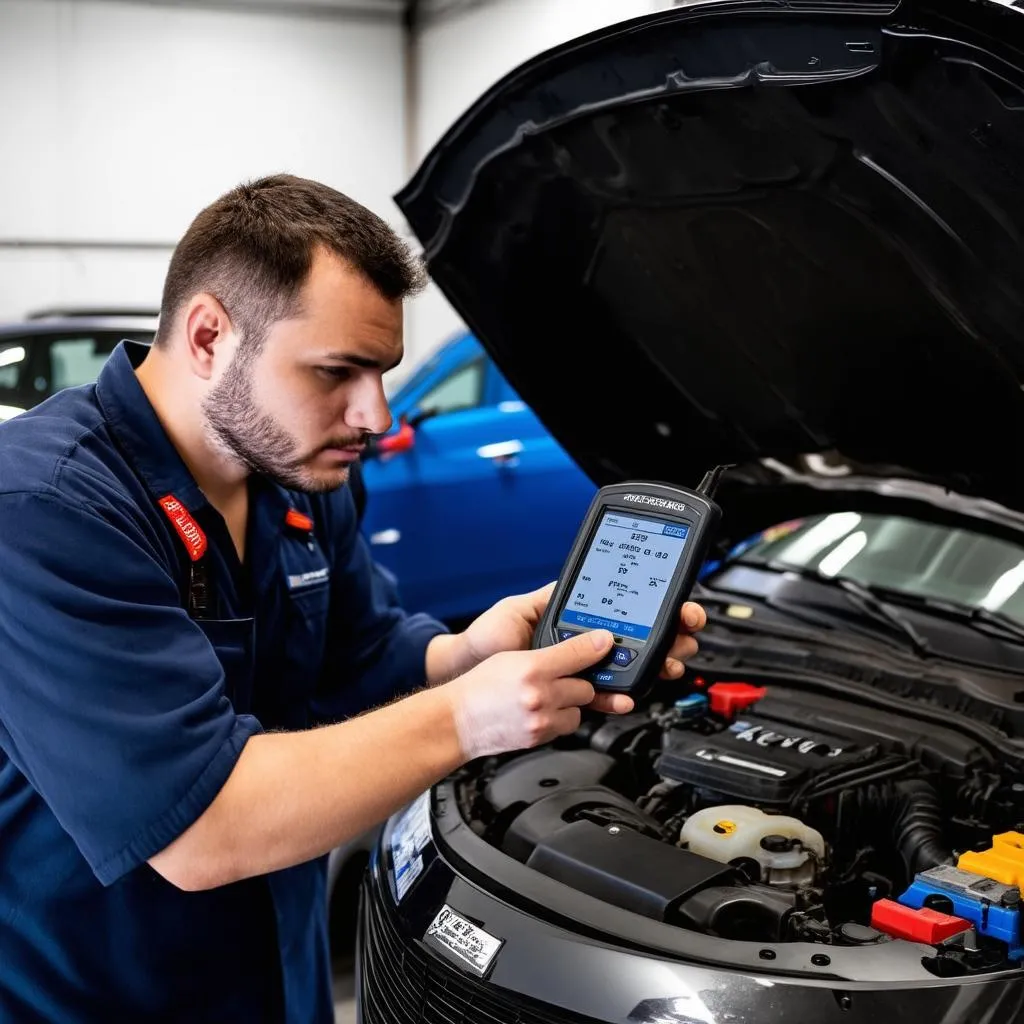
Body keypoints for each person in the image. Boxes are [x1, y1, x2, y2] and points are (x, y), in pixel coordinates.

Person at [0, 174, 707, 1023]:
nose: (373, 414)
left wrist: (470, 656)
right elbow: (201, 828)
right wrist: (465, 717)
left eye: (382, 372)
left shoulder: (302, 477)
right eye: (338, 372)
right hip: (96, 997)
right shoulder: (46, 510)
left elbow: (360, 655)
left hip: (277, 980)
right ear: (208, 336)